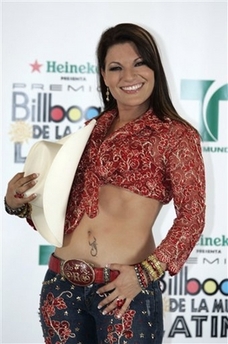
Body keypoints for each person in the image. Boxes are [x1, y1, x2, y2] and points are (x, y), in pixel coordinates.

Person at [4, 23, 206, 344]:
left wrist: (143, 275)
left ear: (155, 68)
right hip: (61, 284)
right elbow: (62, 206)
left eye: (139, 63)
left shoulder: (176, 136)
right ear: (104, 76)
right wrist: (18, 204)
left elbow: (192, 217)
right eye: (116, 67)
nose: (129, 76)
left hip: (123, 291)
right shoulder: (90, 128)